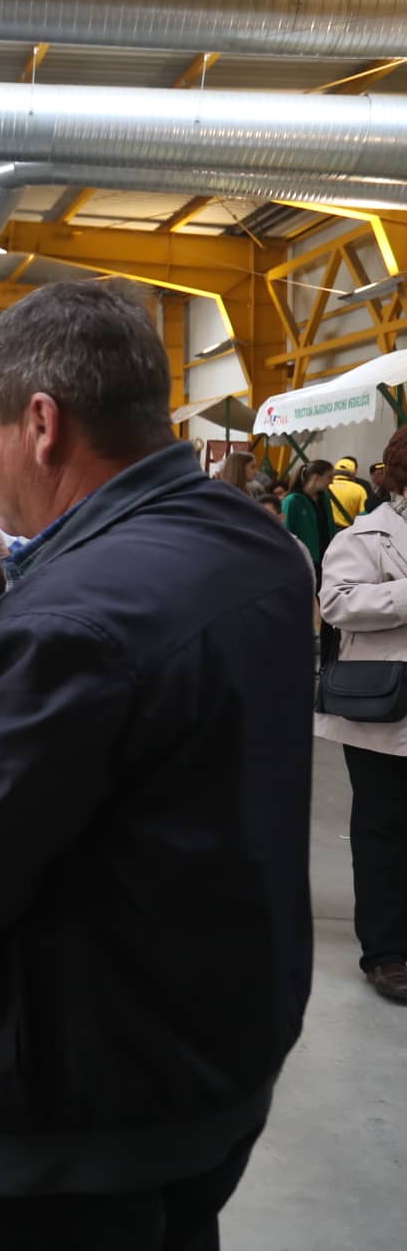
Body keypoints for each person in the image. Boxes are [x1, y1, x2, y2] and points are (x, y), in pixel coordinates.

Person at [0, 280, 313, 1248]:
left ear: (42, 423)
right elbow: (126, 752)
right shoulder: (254, 544)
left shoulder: (76, 618)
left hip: (74, 1116)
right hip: (201, 1059)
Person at [314, 427, 407, 1005]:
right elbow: (336, 602)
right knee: (384, 828)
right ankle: (388, 952)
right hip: (385, 709)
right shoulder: (369, 534)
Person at [281, 459, 339, 577]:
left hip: (325, 559)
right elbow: (286, 532)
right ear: (316, 477)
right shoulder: (292, 501)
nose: (332, 481)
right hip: (303, 561)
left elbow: (330, 526)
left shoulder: (325, 499)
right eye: (329, 477)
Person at [329, 454, 373, 528]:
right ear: (353, 472)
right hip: (348, 532)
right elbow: (364, 514)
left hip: (326, 531)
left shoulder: (327, 486)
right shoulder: (359, 489)